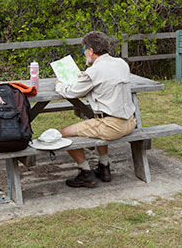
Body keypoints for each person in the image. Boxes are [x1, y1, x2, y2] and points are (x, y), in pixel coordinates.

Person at [55, 31, 136, 188]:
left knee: (63, 133)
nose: (84, 53)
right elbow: (106, 78)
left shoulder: (94, 71)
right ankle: (104, 166)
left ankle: (85, 172)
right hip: (130, 122)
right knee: (96, 121)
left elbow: (71, 92)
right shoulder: (121, 63)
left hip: (112, 126)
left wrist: (59, 85)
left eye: (84, 50)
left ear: (90, 51)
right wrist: (86, 75)